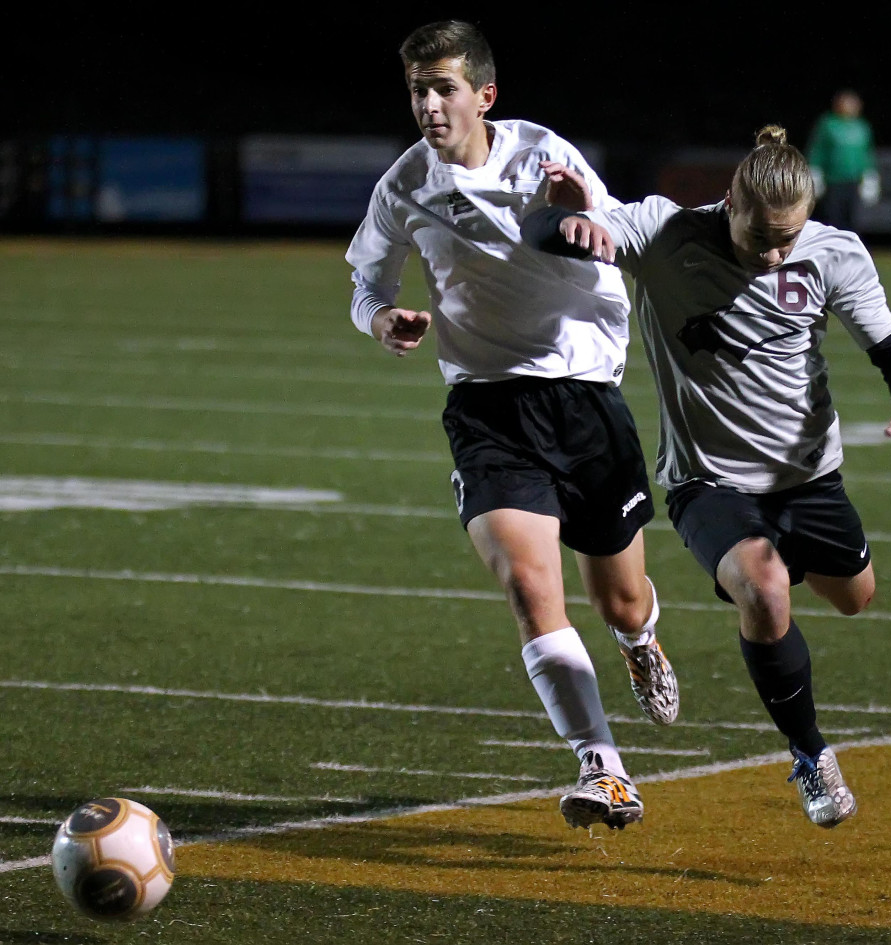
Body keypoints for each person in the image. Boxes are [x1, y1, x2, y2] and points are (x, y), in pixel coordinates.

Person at [522, 125, 891, 828]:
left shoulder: (833, 252)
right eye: (761, 237)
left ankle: (781, 622)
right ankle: (811, 754)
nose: (775, 253)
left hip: (810, 479)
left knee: (855, 598)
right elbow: (551, 232)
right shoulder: (663, 232)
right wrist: (560, 221)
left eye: (789, 237)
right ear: (729, 202)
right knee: (766, 586)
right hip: (707, 481)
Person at [344, 20, 679, 831]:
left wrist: (578, 217)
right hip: (488, 407)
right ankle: (603, 768)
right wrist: (383, 317)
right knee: (531, 587)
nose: (428, 105)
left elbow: (620, 244)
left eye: (444, 88)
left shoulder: (545, 157)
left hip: (585, 399)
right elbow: (365, 284)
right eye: (418, 90)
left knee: (621, 599)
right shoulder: (402, 187)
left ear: (484, 95)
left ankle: (640, 641)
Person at [806, 89, 880, 231]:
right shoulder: (828, 124)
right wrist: (815, 172)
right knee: (832, 218)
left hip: (853, 181)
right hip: (833, 180)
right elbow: (818, 149)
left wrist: (870, 176)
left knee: (852, 219)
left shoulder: (862, 126)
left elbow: (867, 154)